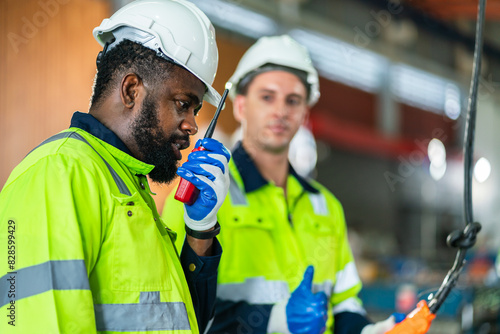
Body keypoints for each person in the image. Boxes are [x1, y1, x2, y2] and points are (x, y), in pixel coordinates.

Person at [0, 1, 230, 333]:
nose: (193, 126)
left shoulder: (127, 185)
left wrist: (201, 230)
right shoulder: (60, 173)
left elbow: (179, 320)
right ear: (131, 90)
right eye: (184, 104)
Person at [163, 35, 400, 334]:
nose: (280, 111)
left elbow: (344, 305)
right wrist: (275, 319)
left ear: (304, 113)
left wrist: (369, 331)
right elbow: (174, 311)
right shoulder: (199, 198)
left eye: (293, 101)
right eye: (267, 97)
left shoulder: (326, 206)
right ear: (240, 106)